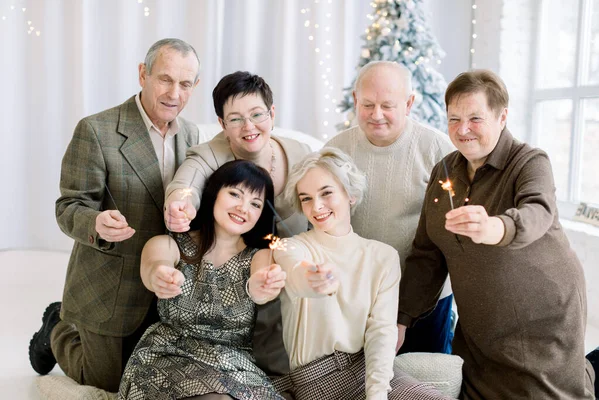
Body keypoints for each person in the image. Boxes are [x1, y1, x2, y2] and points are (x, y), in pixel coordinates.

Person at [397, 69, 596, 398]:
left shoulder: (529, 162)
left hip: (542, 320)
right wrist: (401, 319)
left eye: (475, 118)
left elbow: (538, 211)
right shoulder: (445, 171)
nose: (462, 130)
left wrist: (496, 226)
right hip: (480, 326)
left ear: (501, 116)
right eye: (453, 119)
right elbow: (427, 254)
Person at [28, 38, 202, 392]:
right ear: (143, 74)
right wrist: (96, 223)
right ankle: (56, 328)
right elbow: (68, 206)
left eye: (185, 84)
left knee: (148, 379)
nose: (174, 93)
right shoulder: (96, 130)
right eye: (165, 79)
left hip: (162, 285)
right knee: (107, 381)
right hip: (109, 286)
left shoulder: (192, 134)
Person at [257, 147, 452, 400]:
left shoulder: (383, 256)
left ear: (350, 194)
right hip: (318, 380)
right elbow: (296, 275)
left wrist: (378, 395)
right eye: (306, 198)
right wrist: (314, 279)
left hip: (371, 370)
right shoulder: (294, 248)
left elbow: (381, 332)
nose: (317, 206)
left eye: (326, 193)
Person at [164, 71, 312, 375]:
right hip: (240, 276)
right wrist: (180, 202)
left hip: (295, 269)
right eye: (235, 119)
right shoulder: (211, 154)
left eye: (257, 114)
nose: (249, 127)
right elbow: (187, 183)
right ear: (221, 124)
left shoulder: (300, 153)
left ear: (272, 113)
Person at [119, 160, 286, 400]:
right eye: (235, 194)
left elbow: (260, 286)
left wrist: (262, 287)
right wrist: (160, 275)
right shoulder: (172, 243)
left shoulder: (261, 256)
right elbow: (155, 264)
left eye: (255, 203)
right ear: (214, 193)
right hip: (168, 354)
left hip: (232, 364)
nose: (243, 208)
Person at [326, 61, 455, 354]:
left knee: (426, 382)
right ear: (355, 100)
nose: (377, 115)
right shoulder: (334, 151)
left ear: (409, 103)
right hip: (357, 295)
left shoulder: (439, 151)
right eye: (368, 104)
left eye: (388, 105)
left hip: (426, 299)